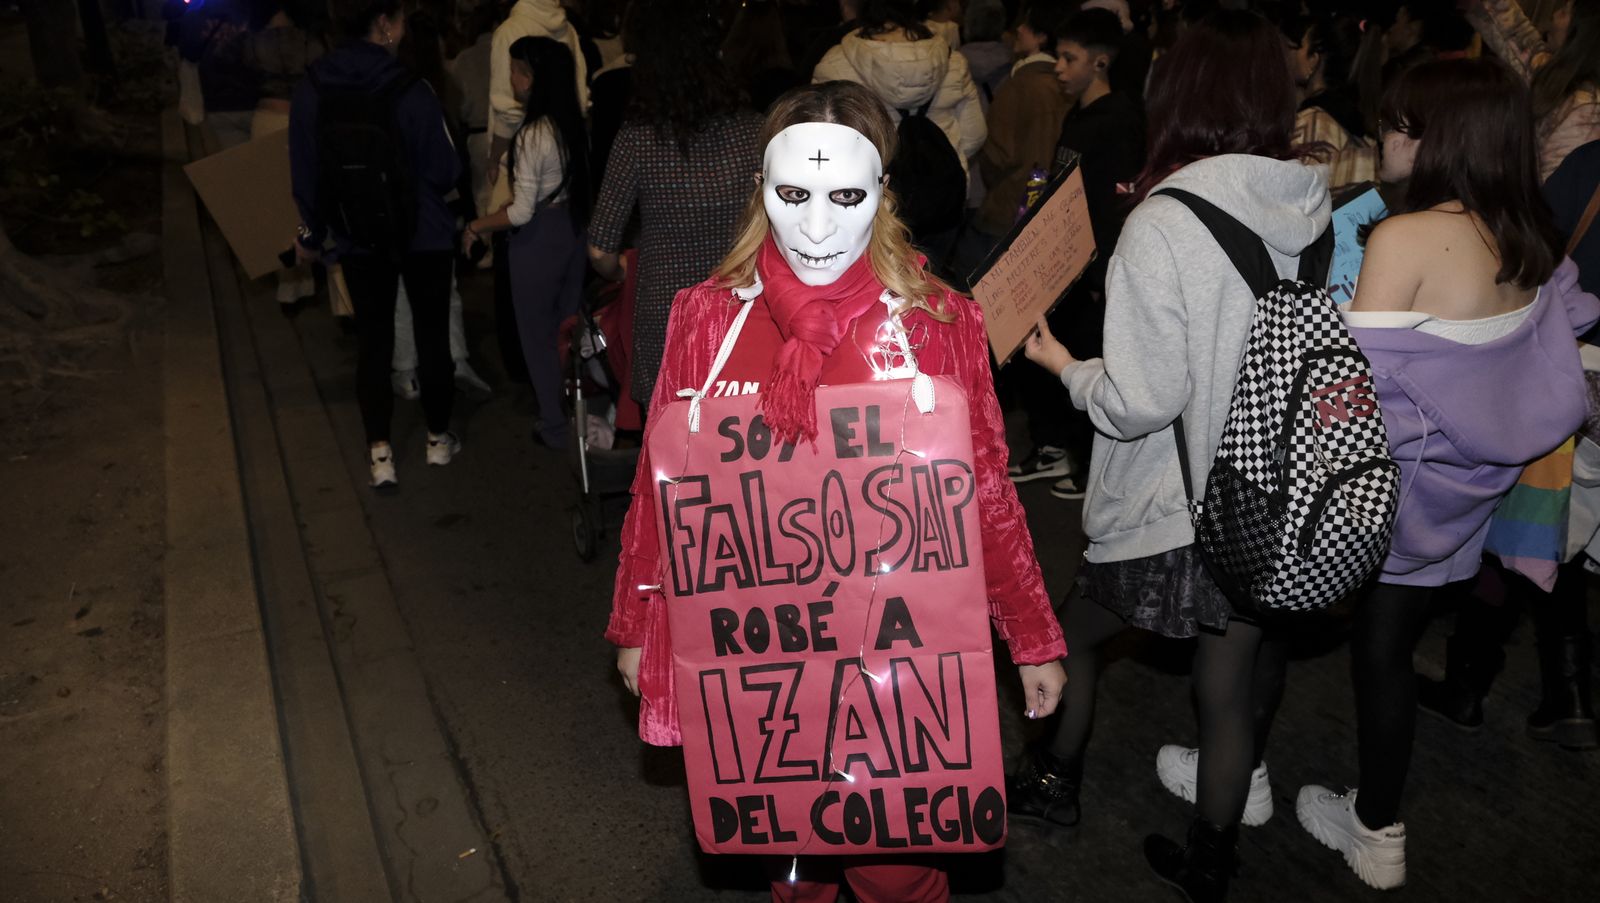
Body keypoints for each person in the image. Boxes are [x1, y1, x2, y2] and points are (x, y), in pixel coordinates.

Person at [607, 79, 1067, 903]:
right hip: (767, 667)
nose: (817, 226)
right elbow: (660, 487)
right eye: (793, 194)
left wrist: (1031, 635)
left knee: (900, 875)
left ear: (882, 193)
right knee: (797, 876)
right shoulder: (705, 318)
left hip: (900, 666)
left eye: (845, 195)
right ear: (761, 190)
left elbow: (985, 488)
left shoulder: (941, 322)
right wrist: (641, 621)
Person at [1014, 11, 1328, 902]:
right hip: (1263, 489)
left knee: (1067, 636)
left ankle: (1054, 786)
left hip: (1173, 499)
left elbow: (1141, 399)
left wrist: (1065, 367)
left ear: (1178, 93)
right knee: (1225, 687)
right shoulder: (1306, 202)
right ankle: (1211, 862)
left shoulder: (1165, 219)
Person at [1289, 58, 1599, 891]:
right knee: (1392, 645)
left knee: (1373, 655)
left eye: (1400, 123)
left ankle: (1373, 828)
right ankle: (1376, 817)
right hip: (1468, 494)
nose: (1385, 137)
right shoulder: (1526, 227)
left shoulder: (1404, 235)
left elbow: (1347, 392)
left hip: (1392, 492)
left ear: (1443, 137)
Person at [290, 0, 464, 490]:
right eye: (400, 18)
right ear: (384, 25)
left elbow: (305, 174)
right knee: (431, 335)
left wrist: (313, 233)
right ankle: (436, 440)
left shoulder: (313, 89)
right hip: (423, 231)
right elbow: (445, 169)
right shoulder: (411, 87)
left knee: (374, 342)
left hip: (357, 233)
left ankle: (380, 454)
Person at [587, 0, 763, 413]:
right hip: (742, 308)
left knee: (674, 443)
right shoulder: (754, 130)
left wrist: (625, 269)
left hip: (668, 318)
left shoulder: (637, 139)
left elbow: (599, 248)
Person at [1007, 6, 1144, 500]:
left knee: (1087, 364)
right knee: (1041, 356)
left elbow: (1116, 205)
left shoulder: (1120, 120)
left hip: (1093, 273)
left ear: (1100, 62)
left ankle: (1093, 470)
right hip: (1064, 265)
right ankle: (1058, 450)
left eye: (1069, 58)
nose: (1058, 68)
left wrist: (1100, 276)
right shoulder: (1080, 115)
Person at [463, 37, 590, 448]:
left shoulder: (533, 134)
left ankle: (553, 425)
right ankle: (579, 414)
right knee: (567, 331)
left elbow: (520, 212)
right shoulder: (571, 124)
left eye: (517, 70)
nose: (512, 78)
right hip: (572, 232)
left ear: (532, 79)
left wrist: (476, 226)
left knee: (537, 337)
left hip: (537, 242)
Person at [812, 0, 987, 175]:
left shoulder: (834, 63)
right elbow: (975, 133)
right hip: (942, 189)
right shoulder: (953, 62)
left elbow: (822, 136)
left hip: (870, 186)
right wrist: (946, 156)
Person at [243, 0, 324, 312]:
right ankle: (308, 275)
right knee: (304, 201)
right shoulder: (309, 41)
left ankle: (287, 284)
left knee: (274, 206)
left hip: (265, 118)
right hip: (301, 121)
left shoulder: (253, 42)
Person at [1470, 0, 1600, 180]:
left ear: (1582, 33)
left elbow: (1553, 188)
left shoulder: (1586, 114)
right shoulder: (1559, 78)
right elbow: (1518, 38)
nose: (1553, 16)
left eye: (1563, 12)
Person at [487, 0, 589, 192]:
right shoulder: (568, 30)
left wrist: (494, 160)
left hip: (517, 157)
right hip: (562, 151)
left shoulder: (509, 30)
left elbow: (507, 110)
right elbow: (580, 96)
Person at [1282, 14, 1376, 192]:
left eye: (1298, 47)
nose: (1291, 55)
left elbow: (1291, 196)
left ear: (1313, 60)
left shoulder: (1311, 123)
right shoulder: (1355, 115)